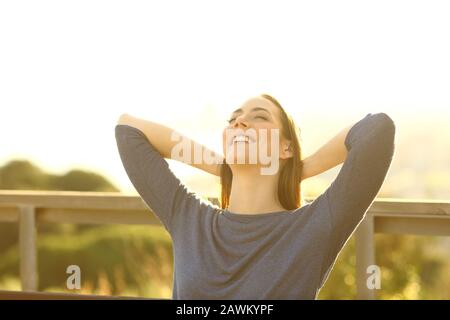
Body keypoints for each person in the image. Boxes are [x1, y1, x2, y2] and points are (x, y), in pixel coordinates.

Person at [115, 93, 396, 299]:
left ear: (285, 148)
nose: (240, 123)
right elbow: (129, 130)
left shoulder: (314, 227)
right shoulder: (189, 218)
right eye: (233, 120)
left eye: (259, 117)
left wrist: (298, 168)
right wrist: (224, 164)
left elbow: (377, 130)